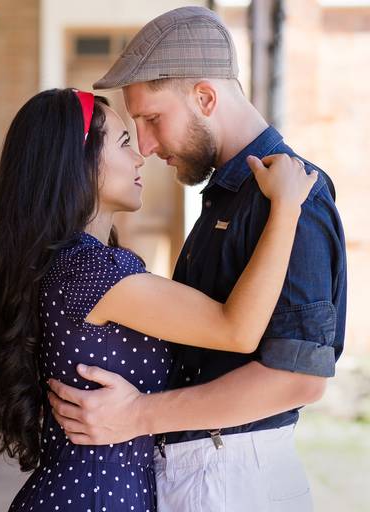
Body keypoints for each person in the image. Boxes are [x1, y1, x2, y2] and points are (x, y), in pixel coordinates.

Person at [46, 6, 347, 512]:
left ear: (205, 97)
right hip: (200, 472)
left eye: (150, 119)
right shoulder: (227, 195)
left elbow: (299, 376)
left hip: (234, 479)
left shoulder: (295, 197)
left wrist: (140, 416)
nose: (143, 145)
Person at [0, 84, 315, 511]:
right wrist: (287, 208)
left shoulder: (73, 267)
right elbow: (236, 329)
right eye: (125, 141)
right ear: (79, 162)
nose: (140, 155)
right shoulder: (89, 272)